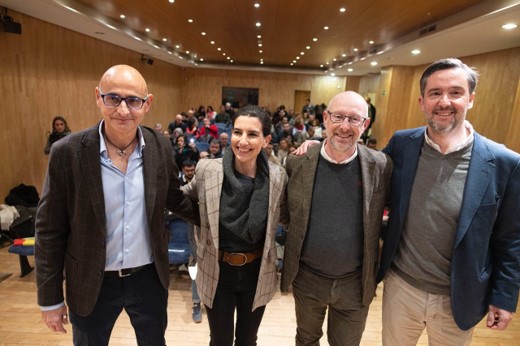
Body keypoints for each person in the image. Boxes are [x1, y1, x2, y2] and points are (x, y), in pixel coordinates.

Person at [35, 65, 198, 345]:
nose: (123, 110)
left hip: (148, 278)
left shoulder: (160, 146)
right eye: (113, 98)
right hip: (91, 281)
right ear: (98, 98)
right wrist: (50, 300)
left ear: (147, 104)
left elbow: (173, 198)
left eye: (133, 100)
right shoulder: (67, 152)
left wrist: (216, 216)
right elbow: (49, 229)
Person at [377, 58, 520, 345]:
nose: (444, 101)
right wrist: (320, 148)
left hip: (459, 297)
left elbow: (511, 238)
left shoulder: (506, 162)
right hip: (401, 289)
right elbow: (368, 175)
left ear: (471, 99)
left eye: (455, 92)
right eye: (435, 93)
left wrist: (504, 296)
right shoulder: (402, 144)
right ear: (422, 101)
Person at [280, 91, 392, 345]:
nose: (344, 126)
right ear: (325, 118)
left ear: (365, 125)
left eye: (354, 119)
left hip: (355, 282)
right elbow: (286, 214)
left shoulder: (382, 166)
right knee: (306, 339)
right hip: (307, 279)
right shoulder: (297, 163)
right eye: (338, 117)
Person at [182, 105, 288, 346]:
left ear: (266, 139)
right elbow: (182, 199)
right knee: (219, 340)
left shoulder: (277, 176)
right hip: (217, 270)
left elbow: (288, 215)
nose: (243, 141)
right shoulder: (208, 169)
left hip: (256, 271)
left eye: (252, 134)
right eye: (238, 132)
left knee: (248, 340)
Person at [180, 160, 203, 323]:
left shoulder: (205, 185)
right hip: (195, 234)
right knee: (195, 268)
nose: (190, 172)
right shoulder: (188, 190)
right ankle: (196, 304)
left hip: (211, 239)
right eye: (187, 170)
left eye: (192, 170)